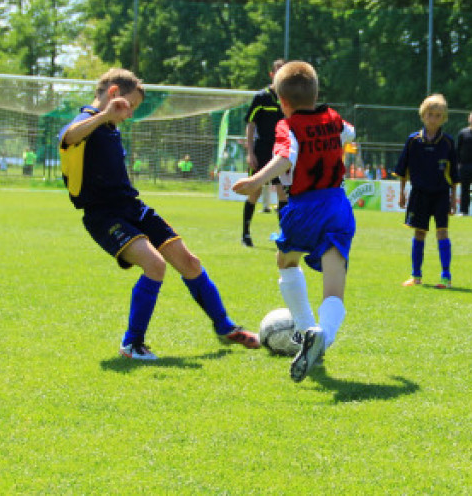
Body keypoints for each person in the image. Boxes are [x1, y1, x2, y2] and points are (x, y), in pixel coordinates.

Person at [58, 68, 260, 360]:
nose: (129, 115)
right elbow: (67, 137)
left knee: (189, 262)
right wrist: (103, 115)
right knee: (155, 265)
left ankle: (225, 328)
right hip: (104, 216)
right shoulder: (87, 120)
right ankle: (132, 344)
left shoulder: (110, 128)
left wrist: (108, 120)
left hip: (133, 208)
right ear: (114, 94)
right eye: (130, 106)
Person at [232, 60, 357, 383]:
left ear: (282, 102)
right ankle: (321, 336)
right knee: (334, 286)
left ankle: (306, 329)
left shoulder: (287, 126)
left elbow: (286, 157)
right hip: (337, 205)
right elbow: (350, 133)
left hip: (303, 206)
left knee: (286, 260)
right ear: (316, 94)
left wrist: (254, 181)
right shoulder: (333, 118)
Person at [395, 94, 458, 288]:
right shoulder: (413, 141)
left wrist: (453, 198)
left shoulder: (447, 142)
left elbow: (453, 173)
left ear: (444, 118)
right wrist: (402, 192)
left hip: (440, 194)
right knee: (419, 233)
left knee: (442, 233)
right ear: (423, 115)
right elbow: (403, 169)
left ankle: (446, 277)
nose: (434, 118)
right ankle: (416, 276)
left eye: (438, 115)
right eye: (430, 114)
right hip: (419, 194)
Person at [242, 59, 287, 247]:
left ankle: (285, 235)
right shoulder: (261, 97)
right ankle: (245, 234)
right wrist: (250, 152)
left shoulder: (289, 97)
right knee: (255, 191)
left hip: (281, 151)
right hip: (261, 150)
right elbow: (250, 124)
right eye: (278, 71)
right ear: (272, 74)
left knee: (283, 192)